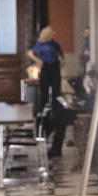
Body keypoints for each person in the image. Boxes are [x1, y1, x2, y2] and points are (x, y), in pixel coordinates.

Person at [27, 25, 67, 158]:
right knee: (44, 92)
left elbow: (61, 57)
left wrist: (60, 65)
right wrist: (39, 61)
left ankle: (54, 107)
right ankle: (43, 108)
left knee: (56, 92)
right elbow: (30, 53)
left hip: (54, 67)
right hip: (47, 68)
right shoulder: (41, 44)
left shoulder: (53, 44)